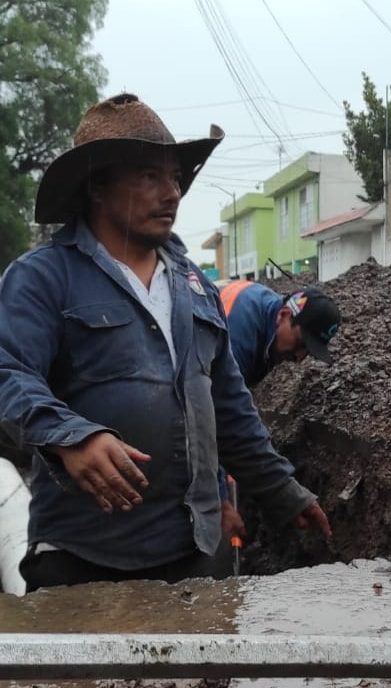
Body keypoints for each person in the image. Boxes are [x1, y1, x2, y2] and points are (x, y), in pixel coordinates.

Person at [0, 93, 331, 591]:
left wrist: (283, 492)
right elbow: (8, 371)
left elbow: (229, 408)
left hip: (192, 555)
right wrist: (72, 435)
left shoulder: (195, 287)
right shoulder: (44, 278)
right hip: (84, 559)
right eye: (149, 176)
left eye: (175, 177)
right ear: (97, 186)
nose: (172, 192)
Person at [219, 280, 341, 389]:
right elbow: (224, 401)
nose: (299, 357)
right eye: (300, 343)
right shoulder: (239, 333)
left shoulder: (274, 314)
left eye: (308, 351)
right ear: (283, 315)